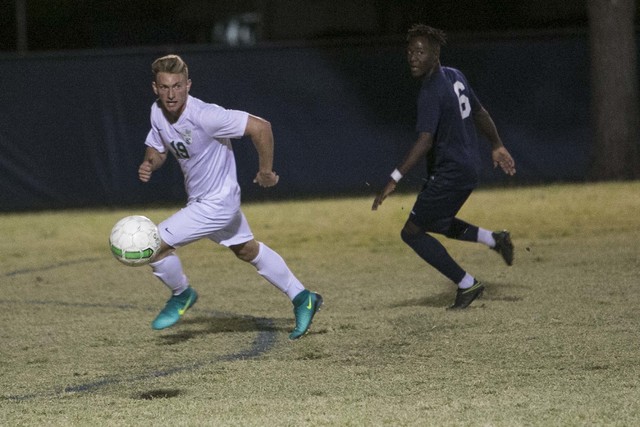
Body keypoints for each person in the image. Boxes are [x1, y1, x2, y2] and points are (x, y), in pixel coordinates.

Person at [138, 54, 322, 339]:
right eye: (164, 87)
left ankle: (181, 294)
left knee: (153, 245)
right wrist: (150, 163)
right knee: (247, 250)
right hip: (201, 200)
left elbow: (261, 127)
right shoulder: (156, 112)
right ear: (155, 88)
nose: (171, 94)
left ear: (188, 85)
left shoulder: (206, 116)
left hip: (217, 203)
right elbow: (159, 147)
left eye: (177, 86)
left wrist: (265, 171)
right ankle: (303, 297)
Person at [372, 24, 516, 309]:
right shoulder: (455, 75)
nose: (413, 57)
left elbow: (424, 141)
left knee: (412, 232)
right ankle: (494, 238)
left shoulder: (430, 91)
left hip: (451, 173)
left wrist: (394, 178)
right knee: (437, 222)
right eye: (410, 51)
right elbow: (479, 111)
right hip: (467, 168)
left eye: (421, 52)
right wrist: (497, 144)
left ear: (435, 54)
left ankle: (466, 283)